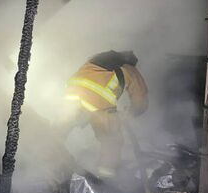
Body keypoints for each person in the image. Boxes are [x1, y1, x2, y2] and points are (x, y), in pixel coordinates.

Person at [54, 50, 148, 179]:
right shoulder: (130, 69)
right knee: (111, 140)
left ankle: (49, 164)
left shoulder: (96, 60)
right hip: (97, 103)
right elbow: (140, 99)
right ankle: (106, 177)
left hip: (71, 96)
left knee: (58, 132)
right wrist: (131, 113)